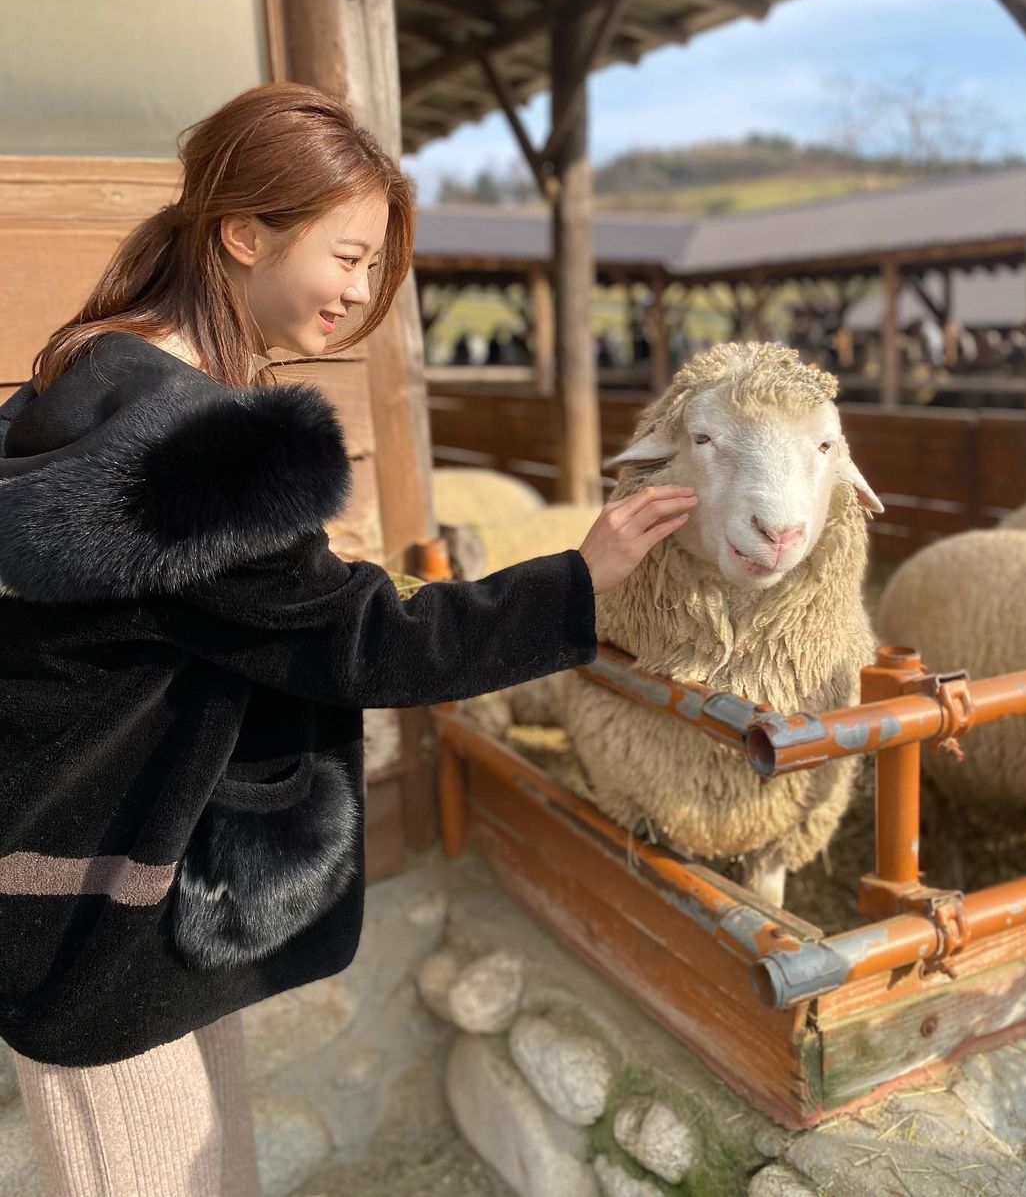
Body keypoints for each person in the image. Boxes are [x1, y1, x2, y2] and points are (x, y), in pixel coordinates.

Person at [0, 82, 697, 1197]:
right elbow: (373, 642)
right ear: (244, 234)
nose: (362, 291)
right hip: (108, 925)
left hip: (91, 883)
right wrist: (582, 576)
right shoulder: (204, 451)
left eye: (375, 266)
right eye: (350, 255)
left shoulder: (85, 374)